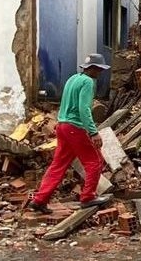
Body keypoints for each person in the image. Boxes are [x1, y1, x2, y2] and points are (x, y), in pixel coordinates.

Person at [28, 54, 112, 214]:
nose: (100, 73)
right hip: (75, 127)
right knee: (95, 161)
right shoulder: (88, 82)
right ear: (92, 69)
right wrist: (93, 132)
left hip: (62, 126)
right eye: (99, 70)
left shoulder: (73, 78)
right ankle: (88, 197)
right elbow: (84, 108)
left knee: (58, 165)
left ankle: (39, 200)